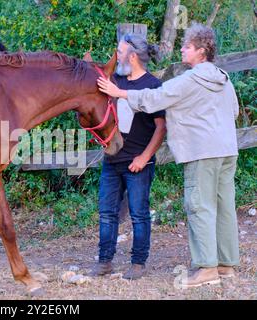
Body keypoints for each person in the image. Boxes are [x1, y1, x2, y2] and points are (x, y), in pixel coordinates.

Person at [97, 23, 240, 288]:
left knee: (199, 206)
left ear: (200, 51)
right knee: (223, 207)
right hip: (227, 150)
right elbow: (233, 111)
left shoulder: (190, 79)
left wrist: (120, 93)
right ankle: (226, 264)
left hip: (202, 151)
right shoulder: (223, 77)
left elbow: (155, 99)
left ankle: (207, 268)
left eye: (186, 46)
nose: (182, 50)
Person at [89, 34, 166, 280]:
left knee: (139, 213)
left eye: (120, 51)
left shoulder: (152, 85)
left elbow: (161, 128)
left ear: (132, 56)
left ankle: (138, 262)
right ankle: (105, 261)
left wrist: (144, 157)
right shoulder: (115, 80)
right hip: (112, 160)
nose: (116, 55)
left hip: (138, 163)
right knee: (107, 212)